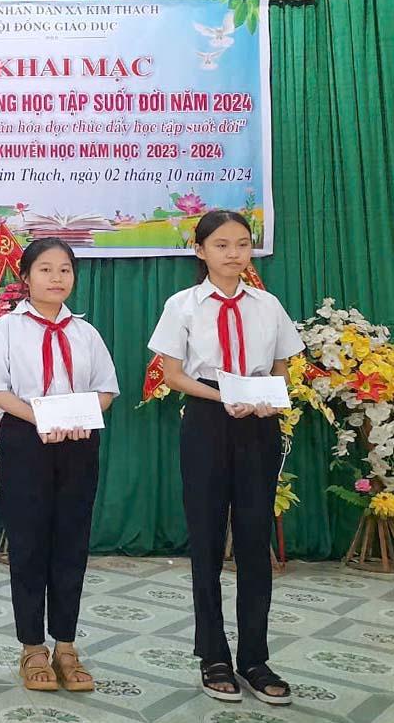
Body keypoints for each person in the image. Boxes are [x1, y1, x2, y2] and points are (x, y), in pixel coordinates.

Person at [148, 210, 301, 705]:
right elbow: (172, 373)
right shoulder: (182, 305)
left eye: (242, 244)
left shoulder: (267, 304)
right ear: (200, 251)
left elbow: (280, 366)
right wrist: (222, 397)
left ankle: (255, 658)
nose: (234, 253)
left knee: (255, 540)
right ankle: (213, 656)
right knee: (207, 541)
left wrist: (268, 398)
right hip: (207, 420)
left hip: (259, 423)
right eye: (221, 245)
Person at [0, 238, 118, 692]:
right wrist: (41, 417)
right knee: (28, 544)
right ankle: (32, 647)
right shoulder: (7, 329)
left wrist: (79, 418)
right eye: (45, 269)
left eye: (65, 270)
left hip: (78, 443)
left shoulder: (85, 332)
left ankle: (67, 646)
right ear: (25, 276)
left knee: (72, 543)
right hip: (26, 440)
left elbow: (107, 389)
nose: (57, 278)